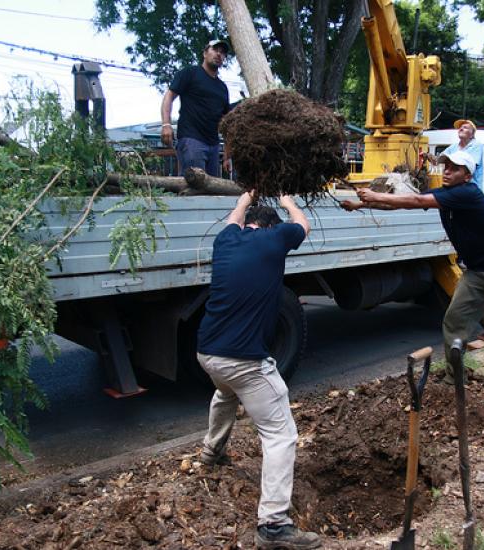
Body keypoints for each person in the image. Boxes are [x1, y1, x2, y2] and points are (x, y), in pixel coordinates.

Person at [341, 150, 484, 421]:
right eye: (445, 166)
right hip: (477, 271)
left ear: (467, 175)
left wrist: (375, 195)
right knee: (454, 323)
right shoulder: (446, 195)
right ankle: (454, 377)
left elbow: (415, 199)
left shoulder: (467, 193)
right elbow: (403, 204)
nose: (447, 171)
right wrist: (361, 205)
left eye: (455, 168)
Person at [196, 192, 321, 549]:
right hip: (243, 360)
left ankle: (212, 452)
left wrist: (245, 197)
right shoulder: (275, 238)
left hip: (207, 353)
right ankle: (273, 525)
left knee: (225, 391)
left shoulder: (225, 240)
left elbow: (234, 217)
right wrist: (289, 200)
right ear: (269, 227)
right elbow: (303, 225)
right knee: (281, 434)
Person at [161, 39, 232, 177]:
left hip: (213, 145)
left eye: (222, 53)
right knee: (194, 187)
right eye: (215, 50)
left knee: (212, 190)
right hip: (191, 139)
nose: (219, 54)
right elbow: (169, 97)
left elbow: (226, 122)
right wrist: (166, 124)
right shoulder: (190, 73)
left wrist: (227, 155)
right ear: (205, 53)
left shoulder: (222, 88)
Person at [443, 119, 484, 190]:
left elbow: (469, 167)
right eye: (460, 128)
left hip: (471, 188)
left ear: (472, 134)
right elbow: (439, 159)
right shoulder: (453, 146)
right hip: (455, 188)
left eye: (465, 127)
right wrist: (428, 156)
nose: (461, 129)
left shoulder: (476, 145)